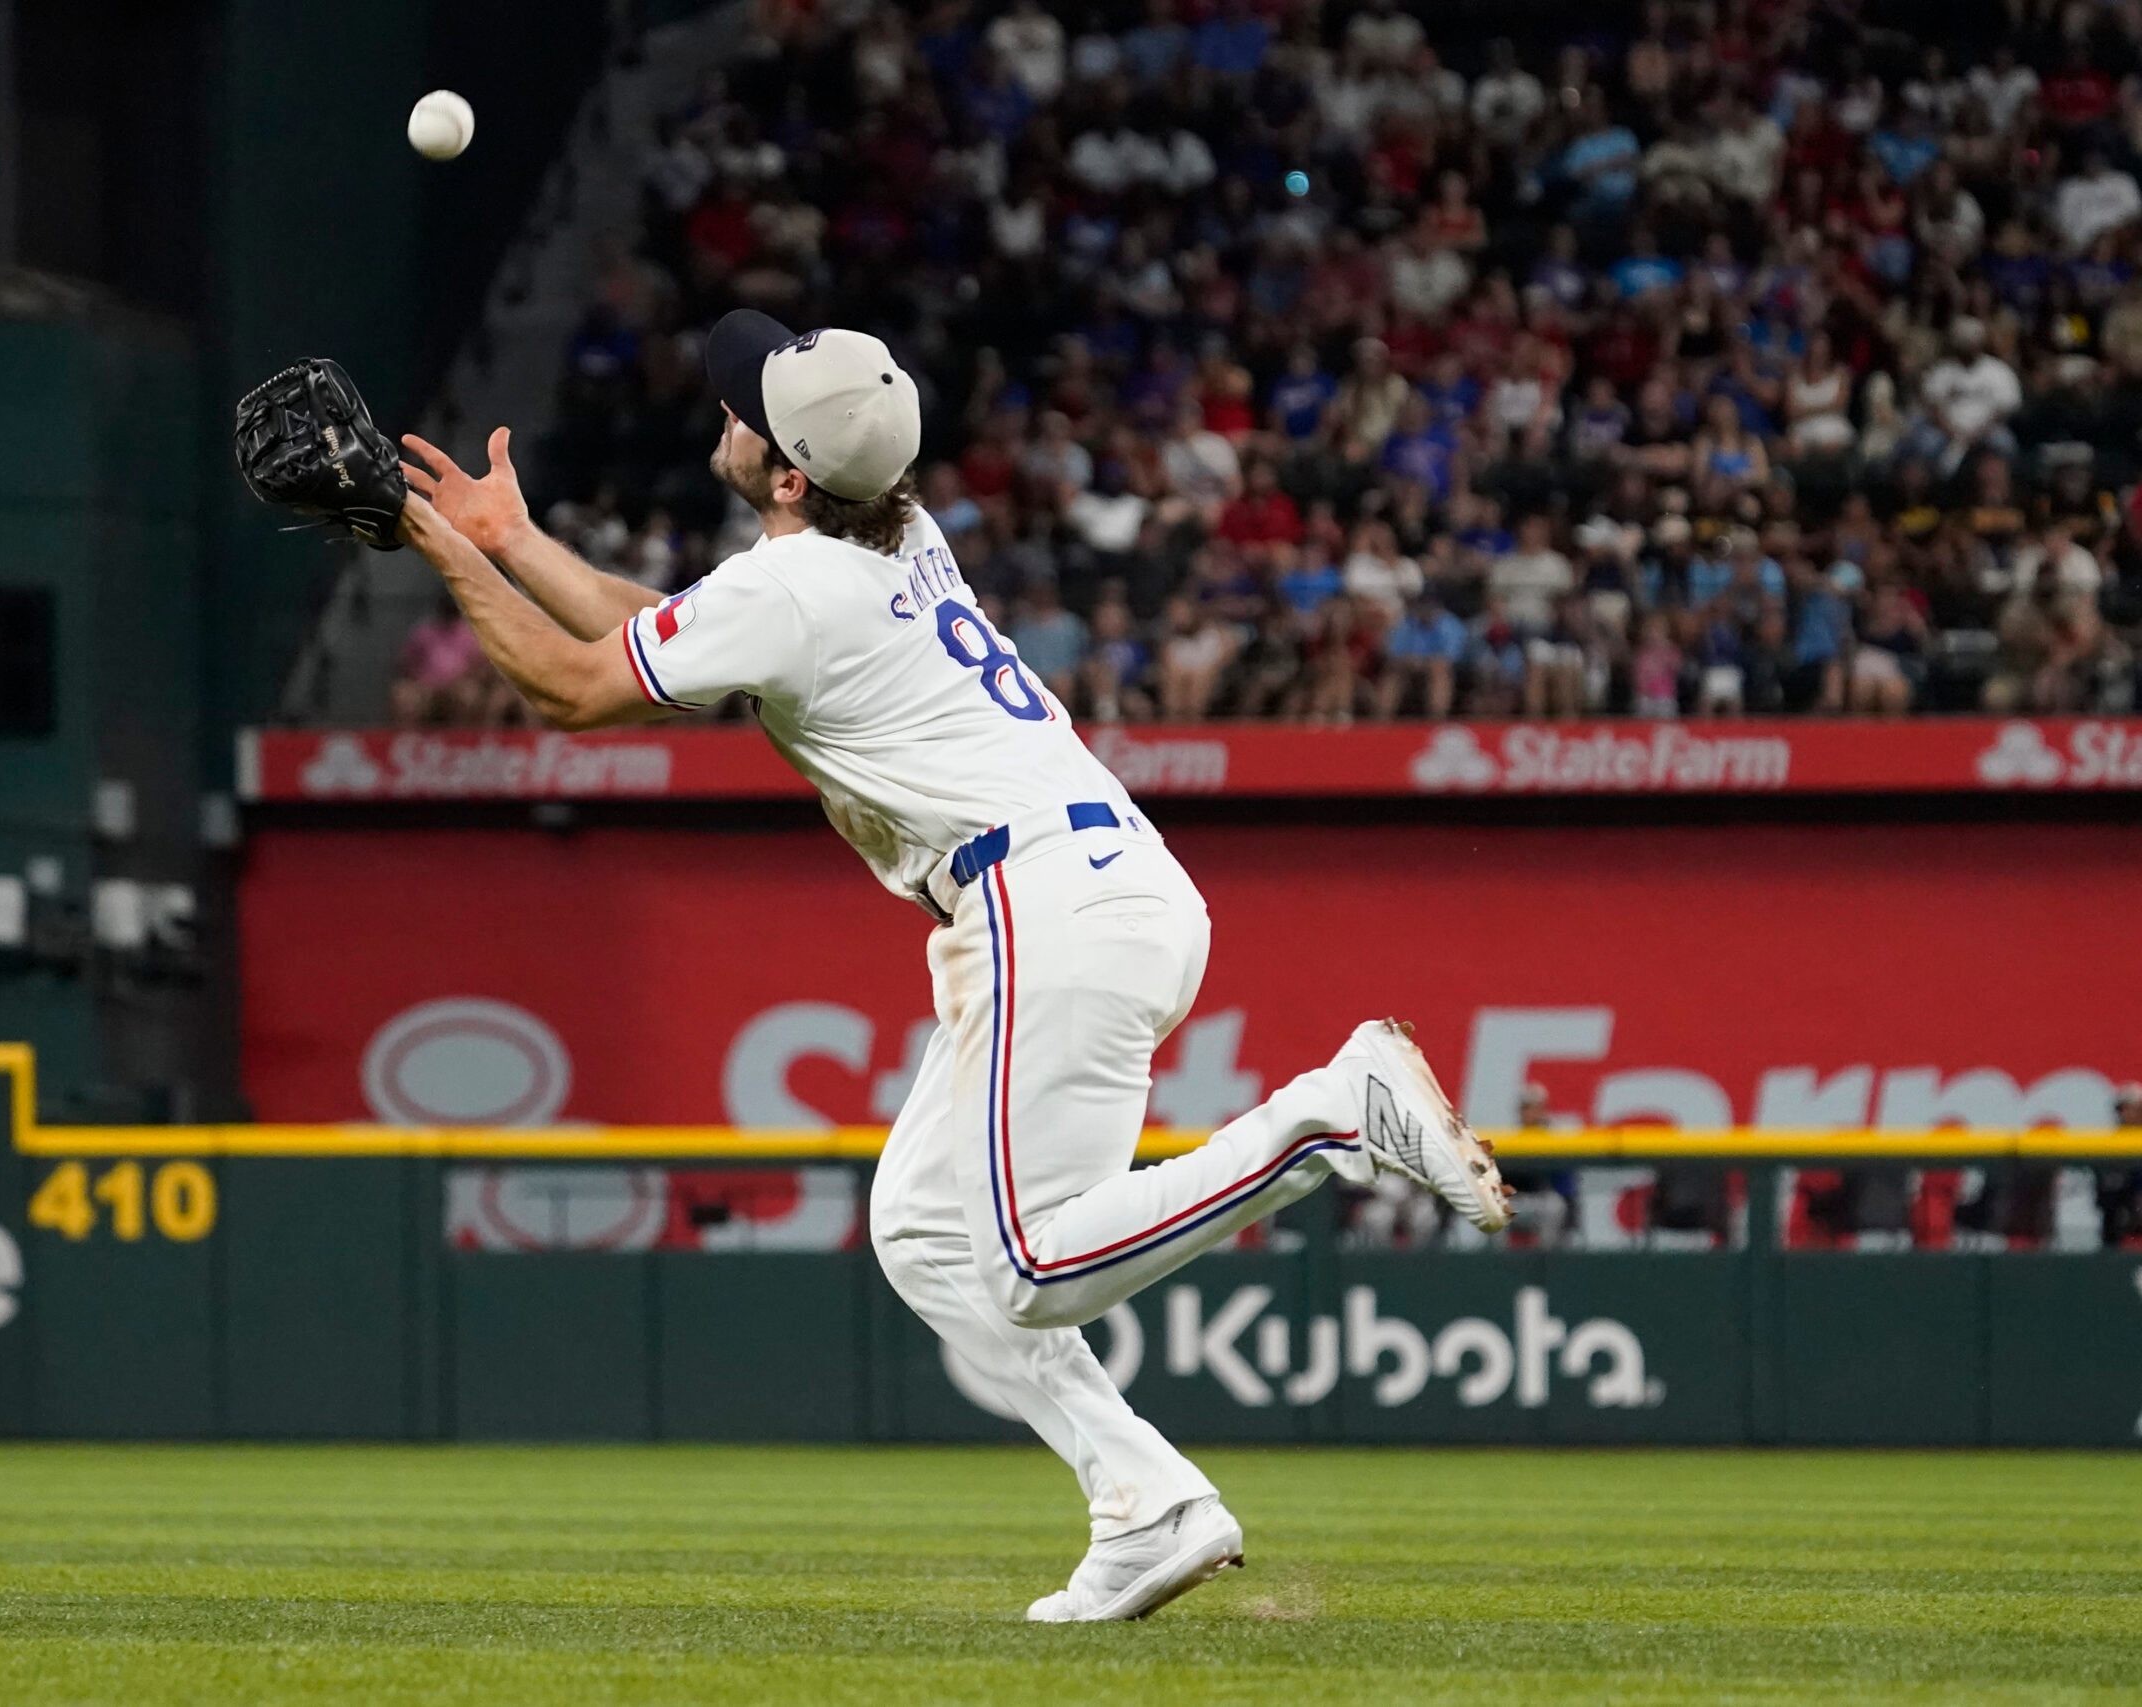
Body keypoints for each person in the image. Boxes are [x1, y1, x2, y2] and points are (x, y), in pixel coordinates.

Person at [397, 310, 1512, 1622]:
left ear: (796, 475)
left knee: (1033, 1270)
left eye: (747, 407)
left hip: (1043, 905)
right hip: (1099, 890)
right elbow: (678, 641)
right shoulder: (886, 540)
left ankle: (1329, 1116)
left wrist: (432, 552)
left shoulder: (795, 583)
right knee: (925, 1236)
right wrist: (513, 544)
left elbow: (575, 693)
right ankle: (1147, 1501)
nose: (729, 415)